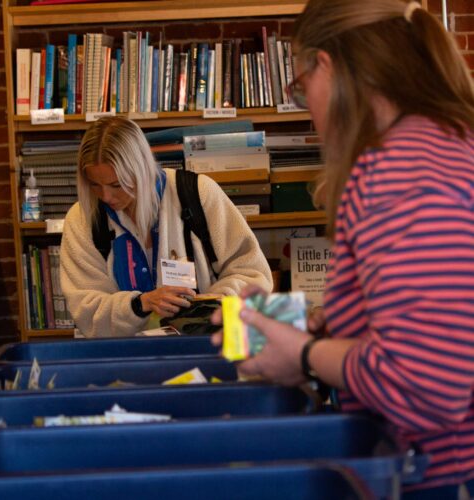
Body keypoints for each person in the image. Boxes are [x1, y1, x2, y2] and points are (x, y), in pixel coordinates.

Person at [212, 0, 474, 497]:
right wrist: (331, 326)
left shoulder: (397, 174)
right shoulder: (447, 143)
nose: (304, 104)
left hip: (440, 474)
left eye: (298, 85)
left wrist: (306, 355)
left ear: (326, 67)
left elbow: (426, 385)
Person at [60, 116, 272, 337]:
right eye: (94, 184)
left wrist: (206, 307)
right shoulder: (82, 219)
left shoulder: (198, 193)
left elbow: (253, 274)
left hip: (207, 347)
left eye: (117, 184)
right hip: (126, 357)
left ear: (142, 169)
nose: (105, 196)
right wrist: (139, 304)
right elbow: (86, 309)